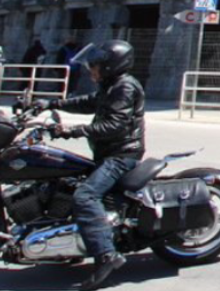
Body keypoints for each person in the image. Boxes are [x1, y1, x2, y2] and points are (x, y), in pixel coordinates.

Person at [42, 40, 146, 288]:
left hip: (122, 154)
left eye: (96, 66)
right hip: (107, 152)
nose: (91, 70)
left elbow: (115, 125)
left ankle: (106, 255)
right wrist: (51, 103)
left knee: (85, 196)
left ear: (111, 66)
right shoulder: (111, 85)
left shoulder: (125, 87)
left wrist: (73, 130)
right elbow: (89, 102)